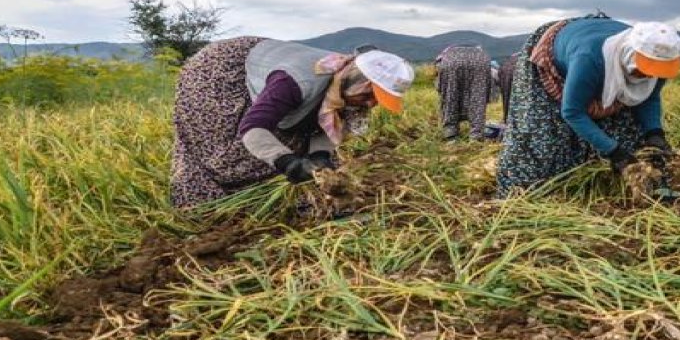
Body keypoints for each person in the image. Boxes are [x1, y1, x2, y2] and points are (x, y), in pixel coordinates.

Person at [171, 36, 414, 208]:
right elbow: (253, 128)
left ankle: (288, 199)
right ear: (355, 80)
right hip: (220, 73)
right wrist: (286, 162)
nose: (371, 104)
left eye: (378, 100)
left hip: (274, 71)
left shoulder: (344, 84)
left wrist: (320, 155)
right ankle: (205, 205)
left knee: (306, 150)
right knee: (225, 149)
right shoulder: (295, 82)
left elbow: (327, 120)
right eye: (369, 95)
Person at [496, 14, 680, 196]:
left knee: (628, 132)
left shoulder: (658, 64)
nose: (649, 76)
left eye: (654, 71)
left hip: (589, 46)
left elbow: (648, 98)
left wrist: (654, 133)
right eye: (644, 70)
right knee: (542, 135)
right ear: (629, 54)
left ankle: (632, 185)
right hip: (558, 51)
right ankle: (528, 190)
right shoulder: (589, 58)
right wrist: (614, 151)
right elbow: (572, 112)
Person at [434, 44, 492, 140]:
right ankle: (476, 135)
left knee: (451, 96)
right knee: (477, 95)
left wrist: (441, 88)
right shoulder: (480, 52)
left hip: (451, 62)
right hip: (480, 61)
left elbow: (439, 76)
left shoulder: (447, 52)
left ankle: (451, 134)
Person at [496, 53, 517, 122]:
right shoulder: (521, 62)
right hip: (517, 79)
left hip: (505, 82)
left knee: (506, 99)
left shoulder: (506, 63)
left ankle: (506, 119)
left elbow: (498, 78)